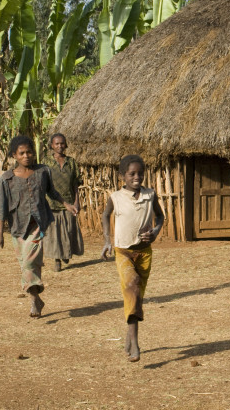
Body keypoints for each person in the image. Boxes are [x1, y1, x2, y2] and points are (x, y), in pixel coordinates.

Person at [0, 135, 77, 318]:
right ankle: (36, 297)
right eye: (21, 153)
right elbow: (1, 207)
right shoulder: (6, 179)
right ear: (14, 155)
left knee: (30, 262)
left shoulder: (43, 172)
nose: (26, 156)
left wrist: (67, 204)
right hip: (17, 227)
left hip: (37, 224)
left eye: (29, 152)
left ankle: (32, 301)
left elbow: (52, 192)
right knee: (26, 265)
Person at [101, 154, 164, 362]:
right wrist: (107, 241)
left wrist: (155, 232)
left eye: (140, 173)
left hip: (144, 252)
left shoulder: (150, 195)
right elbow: (105, 215)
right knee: (132, 285)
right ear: (122, 176)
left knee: (136, 296)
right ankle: (135, 342)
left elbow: (160, 216)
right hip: (123, 251)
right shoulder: (116, 197)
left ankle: (129, 336)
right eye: (132, 174)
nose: (137, 177)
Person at [42, 133, 84, 271]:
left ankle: (66, 254)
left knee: (69, 230)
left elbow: (75, 184)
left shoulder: (71, 162)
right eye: (57, 144)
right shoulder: (46, 162)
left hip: (69, 202)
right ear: (52, 145)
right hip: (52, 202)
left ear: (66, 145)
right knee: (55, 233)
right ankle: (57, 259)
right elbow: (43, 184)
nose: (60, 146)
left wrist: (77, 201)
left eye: (62, 143)